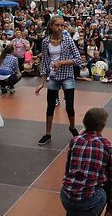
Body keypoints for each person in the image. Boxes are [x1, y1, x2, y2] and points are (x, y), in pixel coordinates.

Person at [61, 107, 112, 216]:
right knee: (106, 182)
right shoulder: (108, 146)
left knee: (75, 176)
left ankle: (72, 215)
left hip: (66, 198)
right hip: (89, 203)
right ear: (103, 126)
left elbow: (68, 169)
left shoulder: (74, 141)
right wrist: (111, 207)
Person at [35, 15, 82, 146]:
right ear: (51, 26)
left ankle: (72, 127)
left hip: (67, 76)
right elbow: (44, 61)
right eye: (57, 25)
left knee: (69, 106)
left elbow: (78, 59)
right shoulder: (45, 42)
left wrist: (61, 62)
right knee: (50, 106)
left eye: (62, 25)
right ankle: (48, 134)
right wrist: (42, 82)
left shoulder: (68, 40)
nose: (60, 28)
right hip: (53, 77)